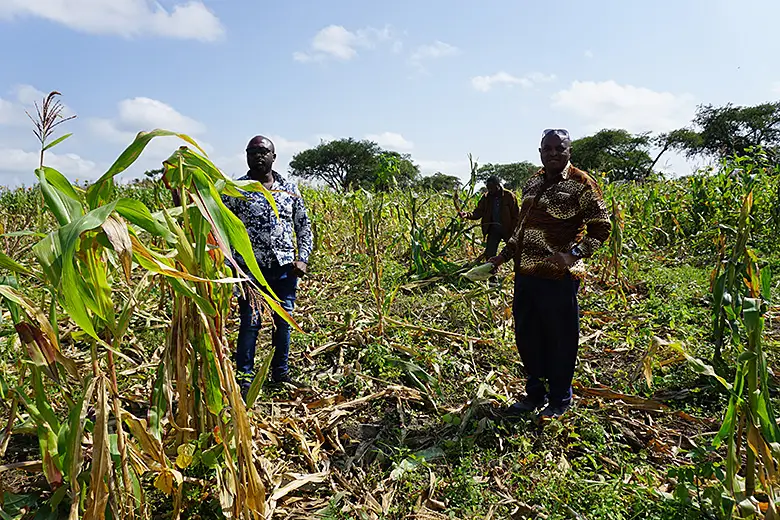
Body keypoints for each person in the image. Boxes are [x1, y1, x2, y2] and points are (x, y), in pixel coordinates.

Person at [489, 129, 610, 418]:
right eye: (548, 148)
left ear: (569, 151)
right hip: (526, 275)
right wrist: (502, 257)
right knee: (528, 337)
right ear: (540, 151)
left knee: (559, 339)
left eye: (560, 148)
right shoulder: (532, 182)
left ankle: (559, 399)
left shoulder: (582, 184)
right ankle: (535, 394)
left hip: (558, 278)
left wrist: (574, 255)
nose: (553, 153)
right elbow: (520, 228)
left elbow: (602, 226)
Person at [222, 135, 313, 397]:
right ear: (246, 156)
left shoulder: (289, 189)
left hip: (285, 269)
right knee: (250, 322)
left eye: (264, 151)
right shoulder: (235, 189)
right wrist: (231, 264)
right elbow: (223, 228)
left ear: (274, 156)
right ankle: (244, 378)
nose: (258, 156)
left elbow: (303, 226)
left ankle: (280, 373)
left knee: (283, 321)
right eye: (252, 152)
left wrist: (303, 258)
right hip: (251, 269)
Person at [458, 176, 520, 263]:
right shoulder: (486, 198)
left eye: (492, 188)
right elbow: (478, 212)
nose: (490, 190)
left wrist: (514, 230)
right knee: (490, 254)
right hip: (493, 230)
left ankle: (517, 272)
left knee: (514, 251)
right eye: (488, 188)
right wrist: (467, 215)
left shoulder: (509, 196)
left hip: (508, 229)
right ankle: (492, 274)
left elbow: (516, 215)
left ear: (498, 186)